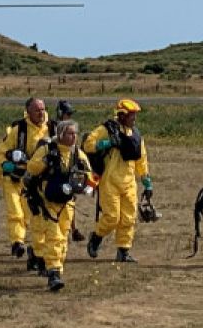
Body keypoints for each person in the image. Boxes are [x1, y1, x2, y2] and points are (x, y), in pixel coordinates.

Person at [25, 118, 92, 291]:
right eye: (69, 133)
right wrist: (46, 161)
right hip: (47, 202)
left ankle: (56, 267)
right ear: (61, 134)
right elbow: (32, 168)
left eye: (75, 134)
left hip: (67, 202)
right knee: (54, 236)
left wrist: (86, 187)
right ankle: (53, 272)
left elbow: (90, 176)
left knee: (63, 235)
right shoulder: (47, 150)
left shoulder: (77, 154)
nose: (73, 137)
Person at [82, 98, 152, 263]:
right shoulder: (106, 129)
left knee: (128, 218)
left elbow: (141, 159)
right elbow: (88, 145)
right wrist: (105, 143)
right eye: (131, 115)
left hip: (129, 183)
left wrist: (147, 182)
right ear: (121, 115)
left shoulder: (135, 135)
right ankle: (96, 237)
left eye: (135, 116)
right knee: (112, 217)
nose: (134, 119)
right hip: (109, 181)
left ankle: (123, 250)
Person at [0, 96, 52, 271]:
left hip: (36, 181)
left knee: (32, 216)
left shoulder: (51, 129)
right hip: (15, 180)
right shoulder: (18, 130)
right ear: (28, 112)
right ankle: (17, 243)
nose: (41, 113)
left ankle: (36, 250)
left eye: (43, 109)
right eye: (37, 110)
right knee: (15, 212)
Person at [55, 100, 86, 244]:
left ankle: (72, 229)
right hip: (56, 169)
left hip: (70, 168)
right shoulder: (52, 129)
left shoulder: (70, 129)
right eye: (68, 114)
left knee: (71, 199)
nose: (70, 116)